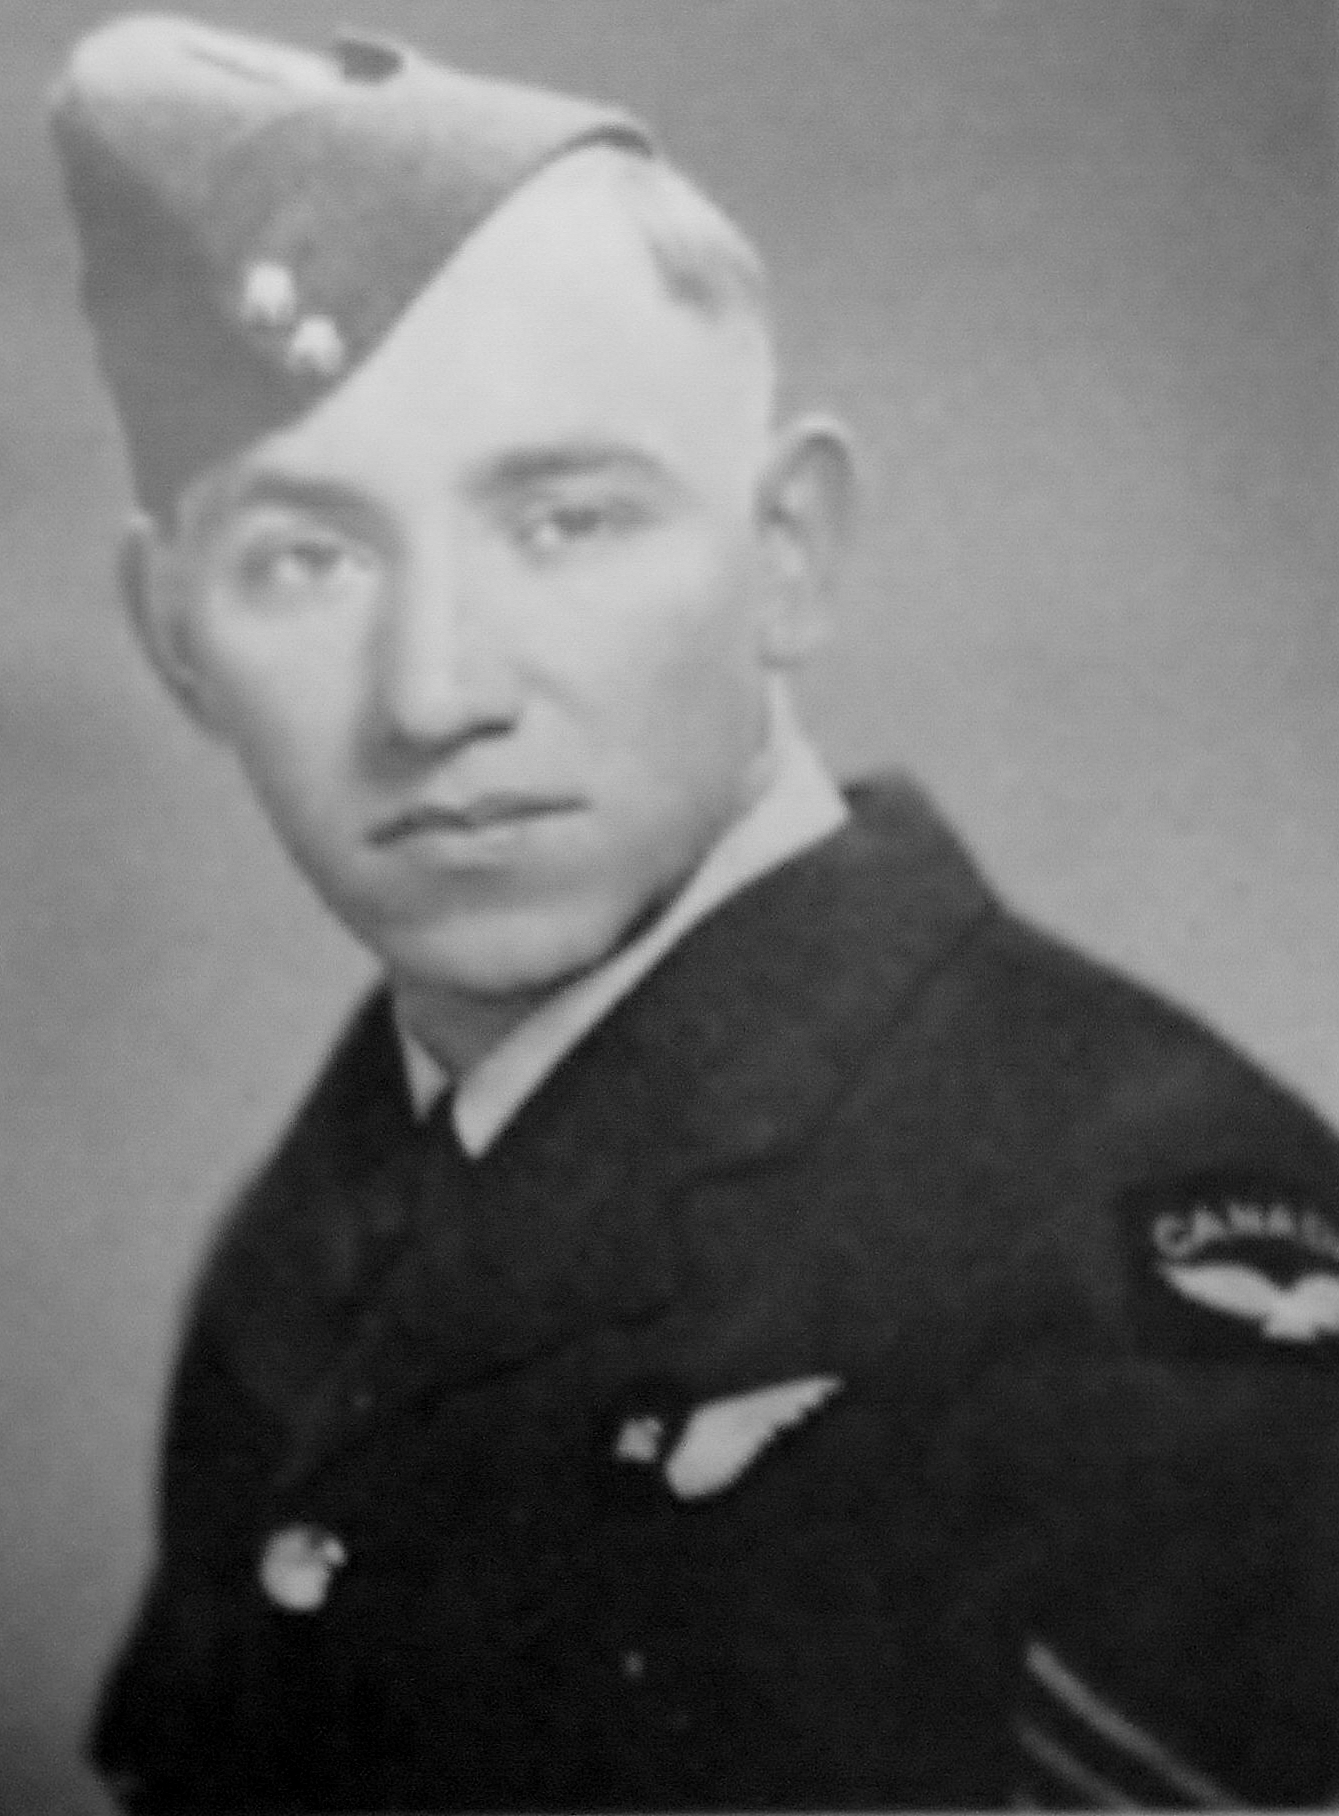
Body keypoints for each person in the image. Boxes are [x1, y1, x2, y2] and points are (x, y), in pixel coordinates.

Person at [48, 15, 1339, 1812]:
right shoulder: (327, 1216)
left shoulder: (1116, 1258)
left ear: (786, 552)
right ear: (176, 637)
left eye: (564, 523)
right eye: (305, 560)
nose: (433, 693)